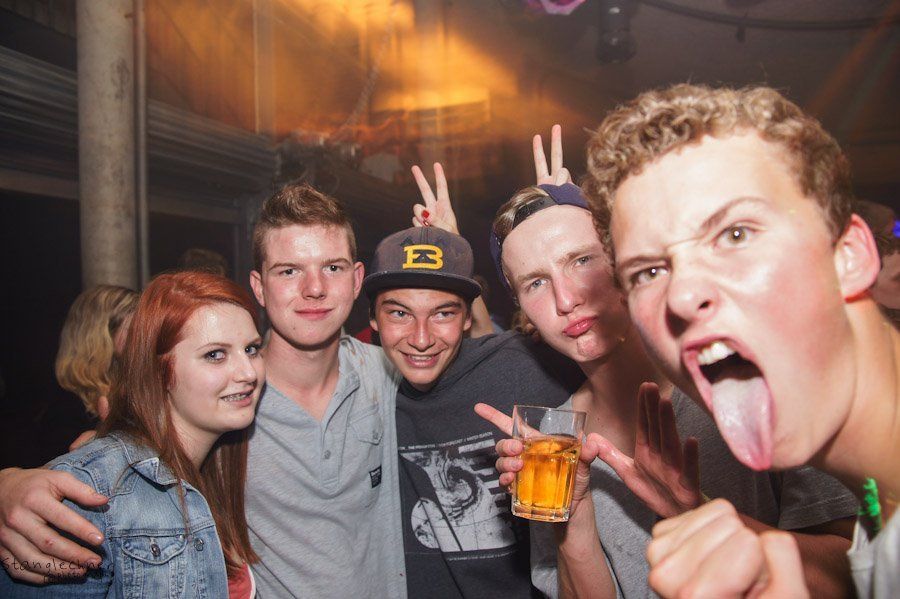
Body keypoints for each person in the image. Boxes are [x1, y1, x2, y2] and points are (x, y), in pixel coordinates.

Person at [437, 126, 858, 597]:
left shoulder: (752, 384)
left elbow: (857, 571)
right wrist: (573, 520)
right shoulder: (552, 443)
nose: (566, 299)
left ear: (624, 261)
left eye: (582, 260)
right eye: (535, 282)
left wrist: (696, 516)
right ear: (522, 310)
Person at [0, 184, 407, 598]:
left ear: (357, 279)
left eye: (333, 267)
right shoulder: (227, 405)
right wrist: (13, 484)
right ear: (259, 286)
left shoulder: (390, 375)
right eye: (289, 271)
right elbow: (122, 465)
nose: (314, 288)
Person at [583, 83, 900, 597]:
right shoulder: (878, 504)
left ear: (851, 256)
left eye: (735, 234)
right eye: (648, 271)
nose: (682, 294)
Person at [0, 271, 263, 597]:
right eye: (215, 354)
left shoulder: (219, 462)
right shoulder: (92, 494)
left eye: (252, 349)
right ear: (158, 371)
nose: (248, 372)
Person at [364, 222, 580, 598]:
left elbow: (614, 369)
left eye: (443, 314)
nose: (421, 338)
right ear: (373, 320)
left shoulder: (522, 365)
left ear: (467, 318)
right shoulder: (366, 389)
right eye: (399, 314)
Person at [54, 285, 139, 421]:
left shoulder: (132, 385)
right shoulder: (64, 407)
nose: (143, 338)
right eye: (132, 330)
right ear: (103, 334)